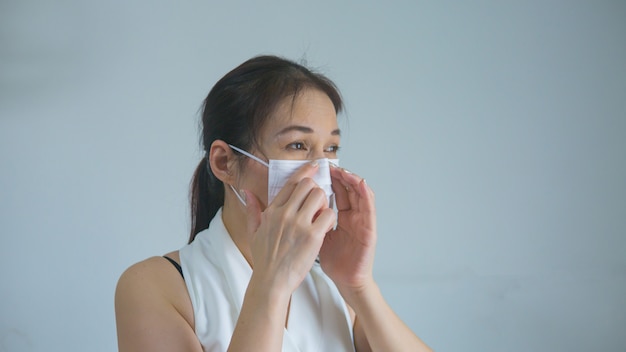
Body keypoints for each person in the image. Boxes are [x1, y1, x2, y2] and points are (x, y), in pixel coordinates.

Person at [114, 55, 432, 352]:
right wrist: (271, 284)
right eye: (298, 144)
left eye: (331, 147)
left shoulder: (335, 286)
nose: (322, 168)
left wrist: (359, 286)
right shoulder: (155, 286)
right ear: (224, 162)